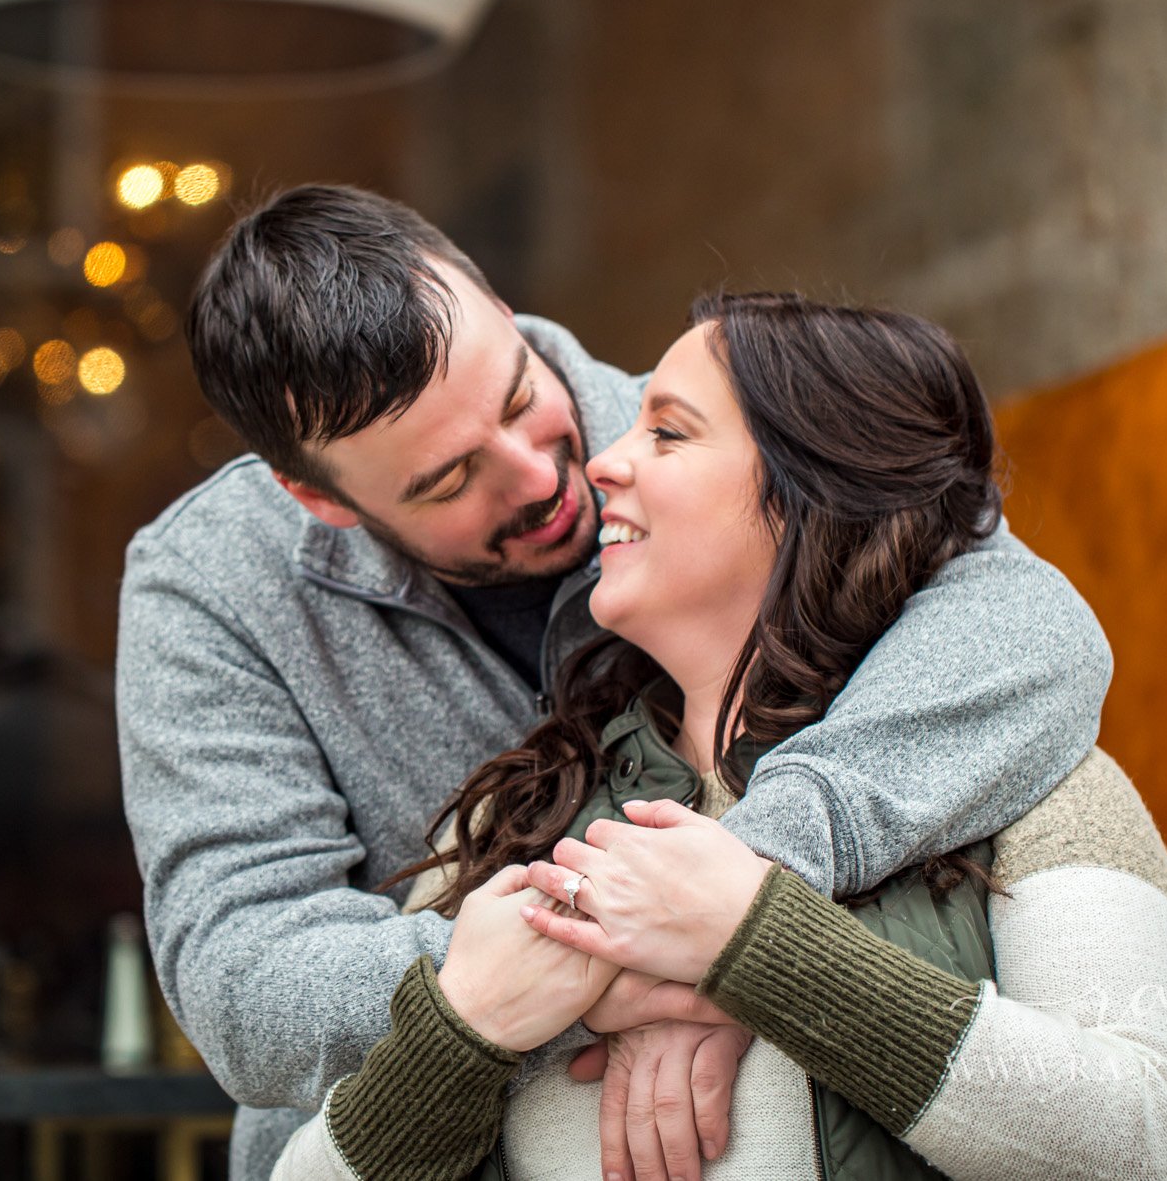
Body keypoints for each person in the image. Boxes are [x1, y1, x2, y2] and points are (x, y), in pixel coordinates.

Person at [115, 187, 1113, 1180]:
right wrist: (570, 972)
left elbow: (1025, 627)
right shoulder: (208, 583)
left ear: (499, 309)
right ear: (317, 498)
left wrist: (738, 900)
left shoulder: (718, 439)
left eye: (517, 397)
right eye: (449, 480)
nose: (541, 478)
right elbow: (243, 985)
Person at [269, 294, 1167, 1181]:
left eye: (669, 431)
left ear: (817, 490)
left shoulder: (1029, 778)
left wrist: (755, 946)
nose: (601, 462)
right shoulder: (518, 818)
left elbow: (1141, 1135)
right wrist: (464, 1029)